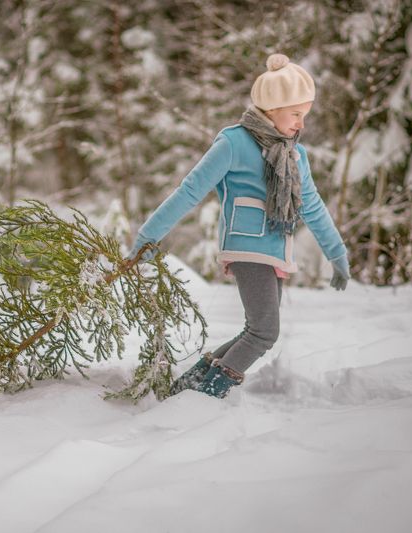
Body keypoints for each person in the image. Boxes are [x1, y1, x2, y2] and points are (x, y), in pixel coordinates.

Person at [128, 53, 350, 399]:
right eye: (296, 114)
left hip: (274, 250)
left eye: (304, 115)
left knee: (255, 330)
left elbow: (314, 207)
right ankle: (206, 395)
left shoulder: (295, 155)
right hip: (248, 246)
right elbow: (190, 192)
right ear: (273, 108)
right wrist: (148, 237)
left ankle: (187, 388)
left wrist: (336, 253)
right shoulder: (233, 142)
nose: (300, 124)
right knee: (264, 333)